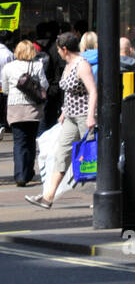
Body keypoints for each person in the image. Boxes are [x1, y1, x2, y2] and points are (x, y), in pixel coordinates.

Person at [26, 33, 97, 210]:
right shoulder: (68, 65)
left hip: (83, 117)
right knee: (61, 154)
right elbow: (69, 93)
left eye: (58, 49)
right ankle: (48, 197)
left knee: (92, 156)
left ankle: (102, 195)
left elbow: (93, 91)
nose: (57, 52)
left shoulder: (82, 65)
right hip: (70, 117)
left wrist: (90, 116)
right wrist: (64, 111)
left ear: (64, 49)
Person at [2, 40, 48, 185]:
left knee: (19, 142)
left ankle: (20, 175)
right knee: (30, 141)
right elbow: (45, 84)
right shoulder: (38, 65)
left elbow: (5, 88)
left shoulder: (8, 67)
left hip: (15, 108)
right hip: (33, 108)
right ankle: (28, 172)